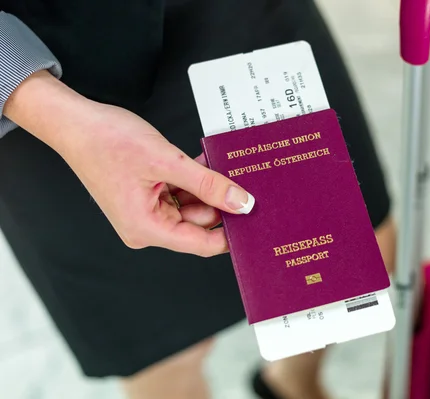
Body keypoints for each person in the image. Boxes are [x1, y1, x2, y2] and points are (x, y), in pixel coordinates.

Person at [0, 1, 396, 398]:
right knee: (166, 344)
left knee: (356, 250)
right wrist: (51, 111)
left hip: (239, 17)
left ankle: (291, 383)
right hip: (45, 69)